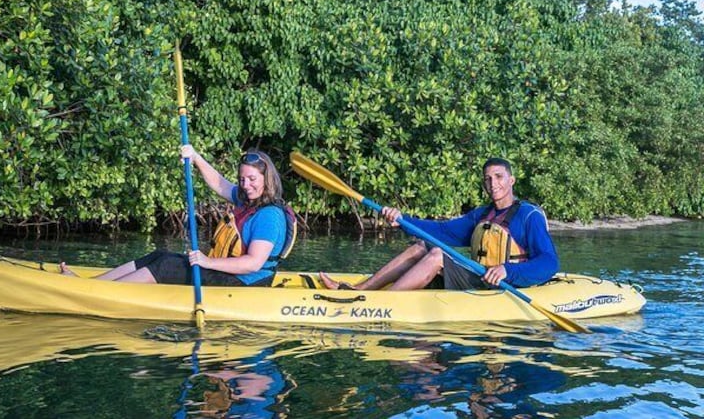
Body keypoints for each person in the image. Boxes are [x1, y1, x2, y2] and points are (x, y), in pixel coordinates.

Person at [61, 146, 295, 286]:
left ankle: (101, 294)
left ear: (267, 179)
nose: (246, 185)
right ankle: (92, 285)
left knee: (167, 265)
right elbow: (219, 183)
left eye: (252, 179)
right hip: (230, 274)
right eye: (243, 179)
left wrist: (207, 261)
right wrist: (195, 157)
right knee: (160, 254)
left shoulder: (269, 216)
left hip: (246, 283)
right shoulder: (246, 199)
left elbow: (253, 264)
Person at [319, 157, 558, 291]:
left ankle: (384, 303)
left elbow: (549, 262)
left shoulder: (529, 216)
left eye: (498, 177)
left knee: (436, 256)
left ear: (511, 180)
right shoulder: (482, 215)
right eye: (487, 179)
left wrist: (509, 271)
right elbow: (441, 232)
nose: (493, 183)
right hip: (478, 276)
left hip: (502, 283)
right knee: (421, 247)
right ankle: (361, 291)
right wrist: (401, 220)